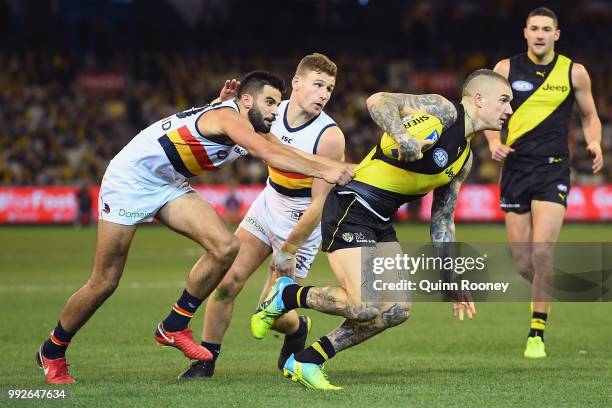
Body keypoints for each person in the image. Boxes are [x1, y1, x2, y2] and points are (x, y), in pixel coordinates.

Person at [36, 71, 354, 384]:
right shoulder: (232, 120)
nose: (275, 110)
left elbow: (283, 150)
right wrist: (330, 169)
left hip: (168, 183)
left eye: (276, 103)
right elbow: (271, 153)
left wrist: (332, 168)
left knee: (225, 247)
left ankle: (174, 324)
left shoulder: (250, 121)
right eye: (269, 102)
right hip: (130, 180)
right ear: (246, 100)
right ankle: (53, 349)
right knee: (105, 280)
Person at [251, 69, 514, 390]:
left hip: (380, 222)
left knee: (397, 310)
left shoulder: (465, 159)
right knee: (364, 305)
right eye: (504, 100)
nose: (509, 110)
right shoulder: (444, 110)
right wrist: (403, 138)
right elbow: (378, 101)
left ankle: (308, 359)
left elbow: (442, 219)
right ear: (479, 99)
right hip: (351, 205)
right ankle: (286, 293)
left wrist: (451, 277)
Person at [179, 53, 346, 379]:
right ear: (296, 83)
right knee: (226, 282)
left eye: (329, 88)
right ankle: (205, 361)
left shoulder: (329, 136)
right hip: (269, 204)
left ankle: (297, 330)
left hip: (301, 222)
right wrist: (220, 101)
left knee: (272, 313)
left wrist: (289, 249)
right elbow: (221, 125)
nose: (324, 94)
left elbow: (320, 205)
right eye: (318, 85)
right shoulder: (271, 110)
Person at [483, 7, 603, 359]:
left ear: (557, 34)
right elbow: (487, 112)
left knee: (542, 251)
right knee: (524, 262)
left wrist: (594, 142)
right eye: (534, 28)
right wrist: (493, 142)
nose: (539, 34)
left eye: (546, 29)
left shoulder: (574, 72)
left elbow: (590, 115)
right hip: (516, 171)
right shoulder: (505, 69)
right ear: (525, 32)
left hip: (553, 171)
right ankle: (546, 283)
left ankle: (537, 331)